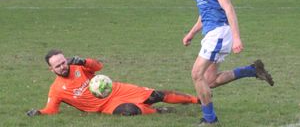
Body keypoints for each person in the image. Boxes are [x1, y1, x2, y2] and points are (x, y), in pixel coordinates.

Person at [183, 0, 274, 125]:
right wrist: (191, 33)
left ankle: (210, 119)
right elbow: (205, 13)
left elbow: (229, 9)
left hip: (219, 33)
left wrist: (237, 38)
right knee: (210, 80)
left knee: (196, 74)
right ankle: (251, 70)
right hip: (210, 33)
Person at [27, 49, 199, 117]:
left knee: (156, 95)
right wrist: (39, 113)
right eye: (58, 66)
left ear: (66, 59)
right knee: (130, 111)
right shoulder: (56, 90)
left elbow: (98, 66)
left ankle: (195, 100)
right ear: (52, 69)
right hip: (105, 106)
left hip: (116, 90)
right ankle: (159, 112)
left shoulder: (78, 66)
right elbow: (52, 109)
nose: (63, 67)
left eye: (63, 62)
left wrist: (83, 61)